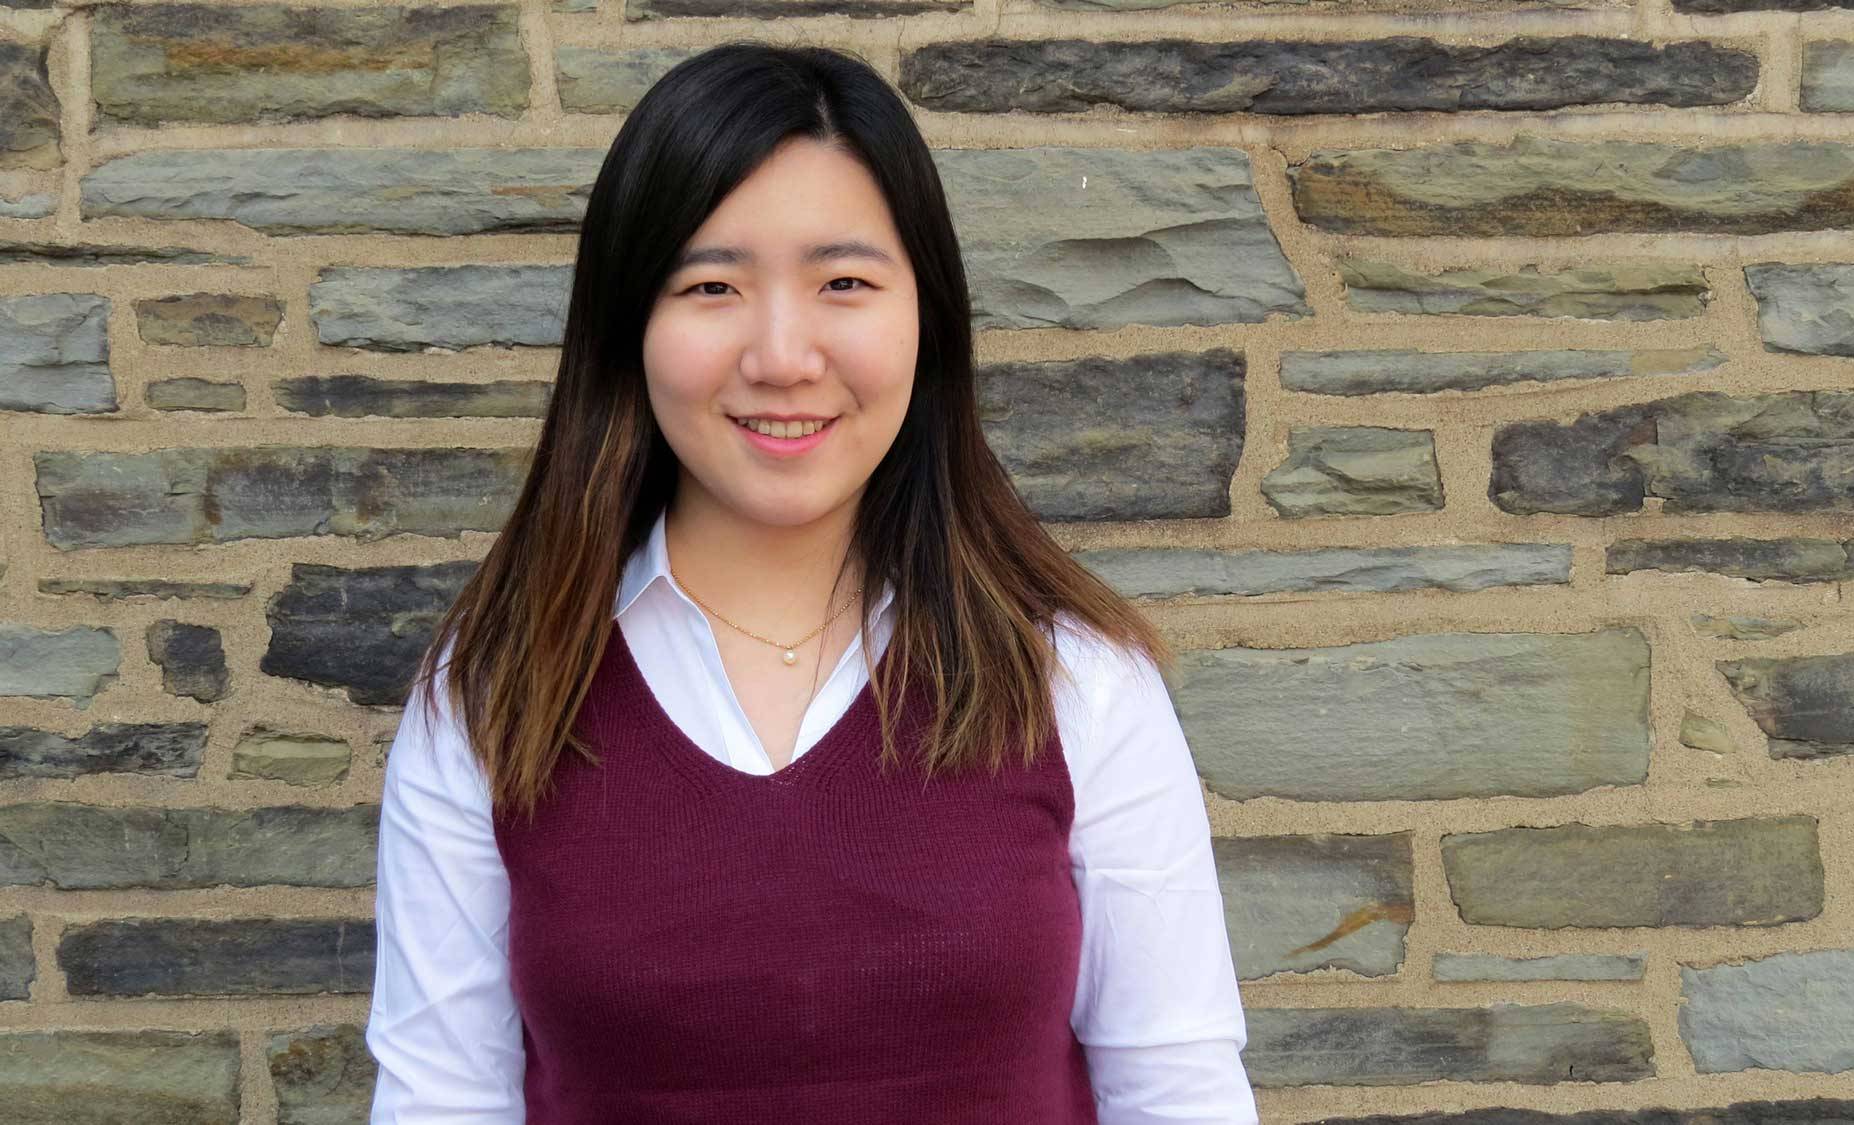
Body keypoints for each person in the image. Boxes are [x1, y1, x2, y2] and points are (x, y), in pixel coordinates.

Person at [364, 41, 1257, 1124]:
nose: (782, 356)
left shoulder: (1076, 680)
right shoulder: (495, 695)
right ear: (627, 324)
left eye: (843, 283)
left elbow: (1178, 1094)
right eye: (712, 286)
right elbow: (440, 1100)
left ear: (925, 315)